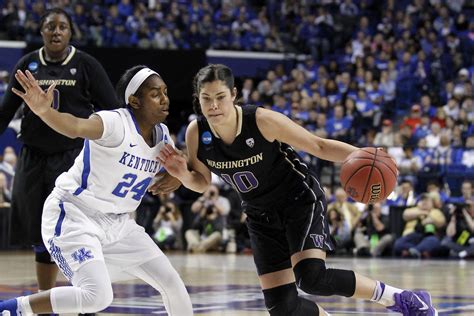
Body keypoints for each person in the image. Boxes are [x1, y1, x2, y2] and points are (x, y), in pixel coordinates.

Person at [158, 64, 437, 316]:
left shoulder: (262, 120)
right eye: (206, 98)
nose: (213, 105)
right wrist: (182, 173)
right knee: (283, 307)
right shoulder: (197, 132)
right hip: (259, 214)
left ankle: (403, 299)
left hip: (299, 200)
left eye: (220, 97)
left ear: (233, 94)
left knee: (311, 277)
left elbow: (319, 146)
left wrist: (371, 157)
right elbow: (202, 182)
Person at [0, 66, 193, 315]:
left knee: (172, 283)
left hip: (119, 225)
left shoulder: (164, 135)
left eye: (165, 92)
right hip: (74, 214)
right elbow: (75, 127)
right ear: (134, 100)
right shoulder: (114, 122)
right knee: (96, 297)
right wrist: (44, 111)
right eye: (156, 93)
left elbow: (177, 165)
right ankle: (12, 309)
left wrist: (177, 176)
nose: (165, 98)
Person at [0, 8, 120, 295]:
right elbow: (3, 114)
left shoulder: (86, 65)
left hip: (74, 160)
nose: (56, 32)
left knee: (80, 234)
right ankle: (45, 302)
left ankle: (89, 299)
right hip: (33, 159)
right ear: (41, 31)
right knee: (41, 236)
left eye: (62, 27)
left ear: (70, 32)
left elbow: (114, 111)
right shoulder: (27, 65)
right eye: (50, 26)